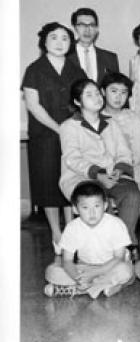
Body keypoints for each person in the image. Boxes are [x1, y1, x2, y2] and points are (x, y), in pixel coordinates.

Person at [22, 22, 87, 252]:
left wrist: (73, 129)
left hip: (73, 133)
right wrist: (60, 129)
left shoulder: (76, 70)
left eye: (65, 38)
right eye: (54, 38)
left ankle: (71, 228)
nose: (59, 43)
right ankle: (56, 233)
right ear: (44, 42)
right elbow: (33, 105)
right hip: (45, 135)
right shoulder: (34, 69)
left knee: (70, 178)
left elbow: (85, 100)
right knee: (48, 182)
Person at [59, 78, 140, 245]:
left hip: (113, 176)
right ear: (77, 101)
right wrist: (98, 175)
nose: (97, 98)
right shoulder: (69, 126)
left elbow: (124, 151)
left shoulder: (111, 122)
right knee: (99, 202)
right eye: (89, 95)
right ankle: (103, 247)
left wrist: (119, 170)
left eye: (97, 93)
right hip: (82, 178)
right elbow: (72, 159)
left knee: (133, 194)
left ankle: (124, 243)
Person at [43, 181, 133, 298]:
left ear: (105, 205)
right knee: (52, 271)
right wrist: (79, 278)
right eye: (85, 207)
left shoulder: (116, 224)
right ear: (75, 209)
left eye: (97, 206)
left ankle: (77, 290)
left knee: (125, 271)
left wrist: (95, 273)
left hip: (111, 266)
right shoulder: (72, 228)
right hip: (85, 267)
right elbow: (67, 261)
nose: (92, 212)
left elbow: (119, 257)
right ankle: (101, 287)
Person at [100, 72, 140, 194]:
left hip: (131, 171)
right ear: (103, 92)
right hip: (103, 172)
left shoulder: (133, 118)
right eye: (114, 91)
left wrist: (121, 169)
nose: (118, 97)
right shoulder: (96, 118)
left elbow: (139, 153)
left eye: (123, 92)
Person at [68, 7, 119, 83]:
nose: (87, 30)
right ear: (75, 28)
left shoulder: (110, 58)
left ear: (96, 29)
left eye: (92, 25)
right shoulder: (65, 56)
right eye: (82, 25)